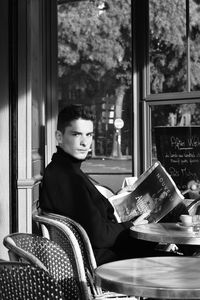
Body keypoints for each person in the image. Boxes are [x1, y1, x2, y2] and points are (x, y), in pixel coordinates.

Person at [39, 104, 189, 265]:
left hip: (109, 248)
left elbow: (88, 214)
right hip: (108, 258)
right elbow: (98, 235)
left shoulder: (63, 170)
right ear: (59, 137)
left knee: (171, 204)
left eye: (89, 135)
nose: (85, 142)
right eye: (76, 134)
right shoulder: (66, 177)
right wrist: (131, 225)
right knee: (175, 211)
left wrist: (121, 197)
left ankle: (190, 252)